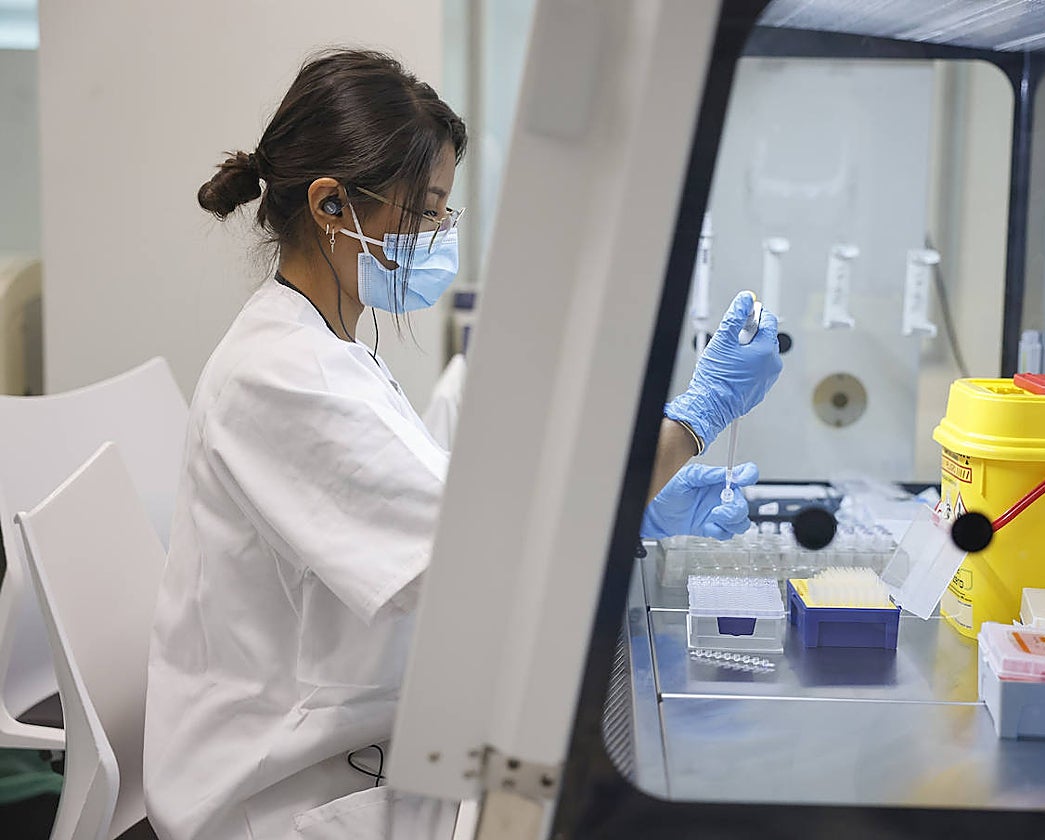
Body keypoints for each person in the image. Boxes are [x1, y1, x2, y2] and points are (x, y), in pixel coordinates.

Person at [143, 49, 781, 840]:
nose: (439, 234)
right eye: (424, 210)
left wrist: (633, 511)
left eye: (444, 211)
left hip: (360, 724)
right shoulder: (280, 378)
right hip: (280, 788)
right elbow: (472, 543)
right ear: (332, 205)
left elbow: (449, 507)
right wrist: (691, 423)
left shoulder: (326, 347)